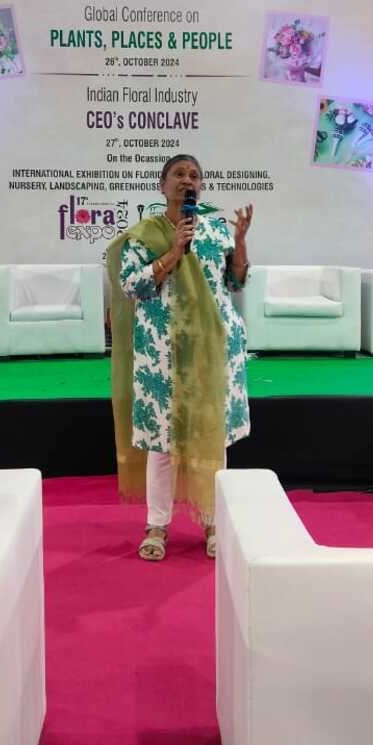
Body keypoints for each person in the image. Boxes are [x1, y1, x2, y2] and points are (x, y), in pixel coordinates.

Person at [106, 154, 253, 561]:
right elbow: (132, 285)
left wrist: (239, 244)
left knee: (211, 438)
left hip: (210, 348)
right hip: (162, 354)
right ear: (162, 185)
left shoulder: (217, 231)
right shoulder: (143, 235)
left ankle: (212, 522)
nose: (187, 180)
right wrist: (173, 252)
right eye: (179, 174)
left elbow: (235, 282)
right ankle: (157, 525)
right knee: (162, 443)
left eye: (194, 175)